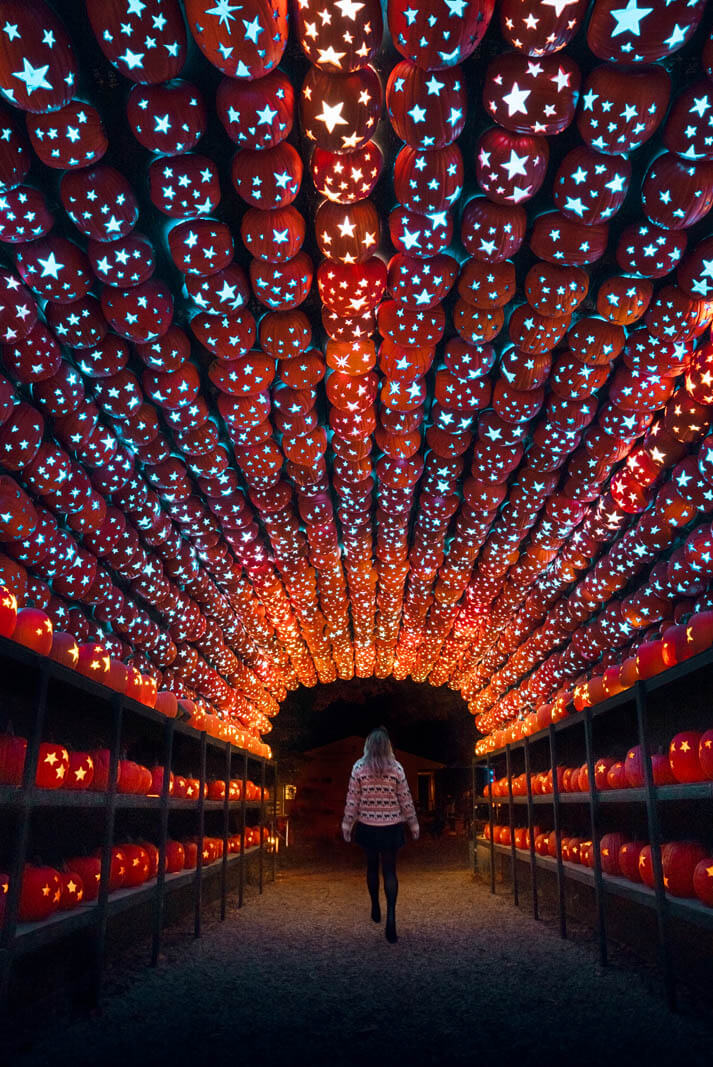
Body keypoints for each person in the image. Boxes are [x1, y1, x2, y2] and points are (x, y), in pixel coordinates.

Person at [341, 726, 419, 944]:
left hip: (368, 826)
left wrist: (347, 825)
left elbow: (352, 800)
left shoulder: (358, 767)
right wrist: (413, 824)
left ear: (368, 745)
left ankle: (375, 906)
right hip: (391, 826)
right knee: (390, 870)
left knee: (372, 867)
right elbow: (405, 798)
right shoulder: (396, 768)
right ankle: (391, 916)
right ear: (387, 746)